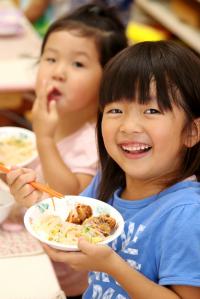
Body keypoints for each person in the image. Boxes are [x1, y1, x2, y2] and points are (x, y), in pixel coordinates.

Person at [8, 40, 200, 298]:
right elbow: (69, 223)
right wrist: (35, 200)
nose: (128, 126)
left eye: (151, 110)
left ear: (191, 131)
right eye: (116, 110)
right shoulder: (108, 183)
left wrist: (112, 267)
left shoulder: (187, 214)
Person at [7, 4, 128, 299]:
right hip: (24, 237)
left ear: (107, 80)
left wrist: (45, 138)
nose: (58, 72)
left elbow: (69, 198)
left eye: (78, 64)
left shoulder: (97, 141)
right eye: (50, 59)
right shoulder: (50, 120)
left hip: (61, 275)